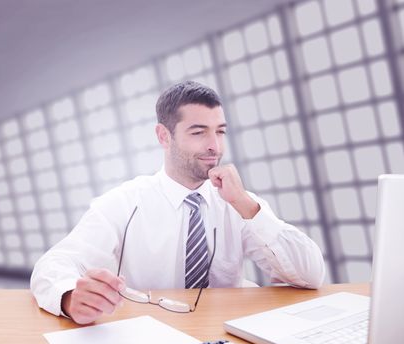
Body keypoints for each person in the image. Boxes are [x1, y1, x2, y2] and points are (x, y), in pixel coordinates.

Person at [31, 80, 325, 325]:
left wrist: (246, 205)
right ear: (164, 136)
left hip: (224, 335)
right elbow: (53, 264)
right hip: (150, 332)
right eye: (199, 132)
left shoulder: (237, 202)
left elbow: (311, 274)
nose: (215, 146)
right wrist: (70, 296)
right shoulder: (124, 202)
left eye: (220, 131)